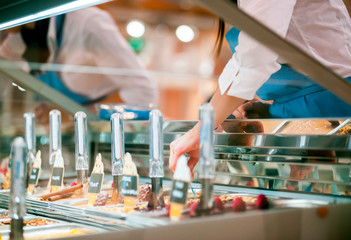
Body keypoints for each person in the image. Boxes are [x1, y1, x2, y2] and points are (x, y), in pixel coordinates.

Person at [169, 0, 351, 173]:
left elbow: (255, 56)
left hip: (336, 112)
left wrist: (201, 130)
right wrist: (271, 112)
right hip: (300, 127)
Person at [0, 7, 158, 107]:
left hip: (107, 142)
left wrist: (80, 115)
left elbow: (143, 93)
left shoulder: (87, 24)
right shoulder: (15, 36)